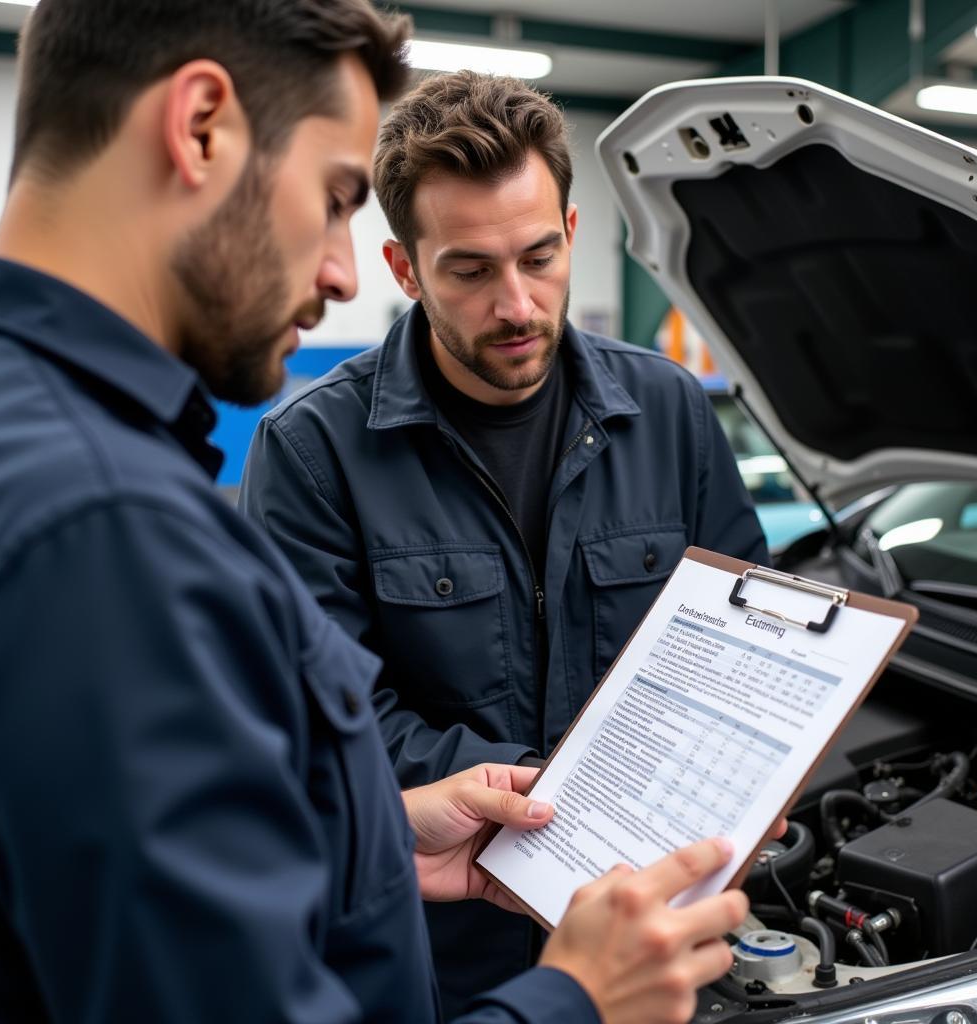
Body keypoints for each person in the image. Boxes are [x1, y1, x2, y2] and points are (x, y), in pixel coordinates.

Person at [0, 2, 751, 1022]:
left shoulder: (48, 450)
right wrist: (576, 1001)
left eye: (536, 259)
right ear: (201, 125)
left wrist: (385, 833)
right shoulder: (110, 526)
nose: (342, 271)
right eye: (334, 195)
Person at [239, 70, 770, 1012]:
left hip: (660, 915)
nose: (518, 306)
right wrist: (555, 800)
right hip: (445, 947)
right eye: (471, 271)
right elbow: (328, 728)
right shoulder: (314, 452)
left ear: (571, 235)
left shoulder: (668, 410)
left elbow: (741, 627)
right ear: (406, 271)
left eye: (537, 257)